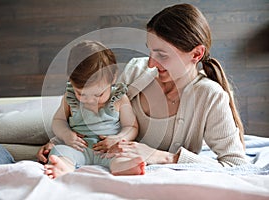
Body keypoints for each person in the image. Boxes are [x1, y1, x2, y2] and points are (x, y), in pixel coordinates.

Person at [38, 3, 247, 169]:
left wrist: (163, 157)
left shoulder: (210, 96)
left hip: (98, 151)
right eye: (151, 51)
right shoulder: (137, 70)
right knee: (9, 131)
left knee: (10, 137)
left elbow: (236, 164)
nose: (150, 63)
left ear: (196, 54)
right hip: (82, 130)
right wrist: (59, 140)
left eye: (162, 55)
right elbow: (99, 109)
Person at [43, 40, 144, 179]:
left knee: (122, 154)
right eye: (81, 94)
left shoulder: (119, 99)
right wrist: (66, 135)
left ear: (113, 78)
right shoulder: (69, 97)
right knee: (59, 151)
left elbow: (131, 126)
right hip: (78, 148)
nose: (90, 100)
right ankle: (64, 167)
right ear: (70, 80)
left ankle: (122, 166)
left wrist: (119, 138)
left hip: (108, 148)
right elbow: (58, 120)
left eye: (98, 94)